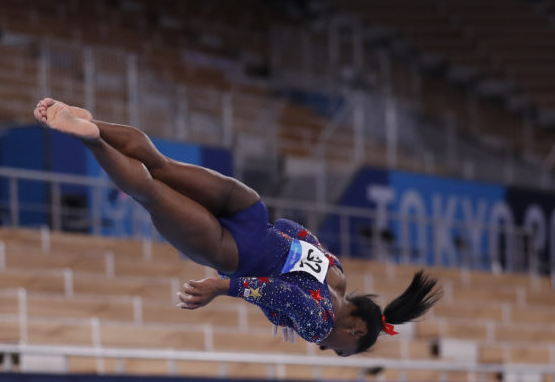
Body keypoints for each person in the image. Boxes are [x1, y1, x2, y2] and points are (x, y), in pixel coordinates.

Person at [34, 98, 441, 356]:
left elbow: (289, 228)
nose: (324, 349)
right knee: (150, 193)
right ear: (355, 328)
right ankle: (91, 140)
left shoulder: (336, 272)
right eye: (340, 351)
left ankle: (92, 122)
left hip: (250, 212)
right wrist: (220, 287)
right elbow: (275, 288)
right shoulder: (319, 322)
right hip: (231, 252)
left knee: (162, 165)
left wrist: (281, 311)